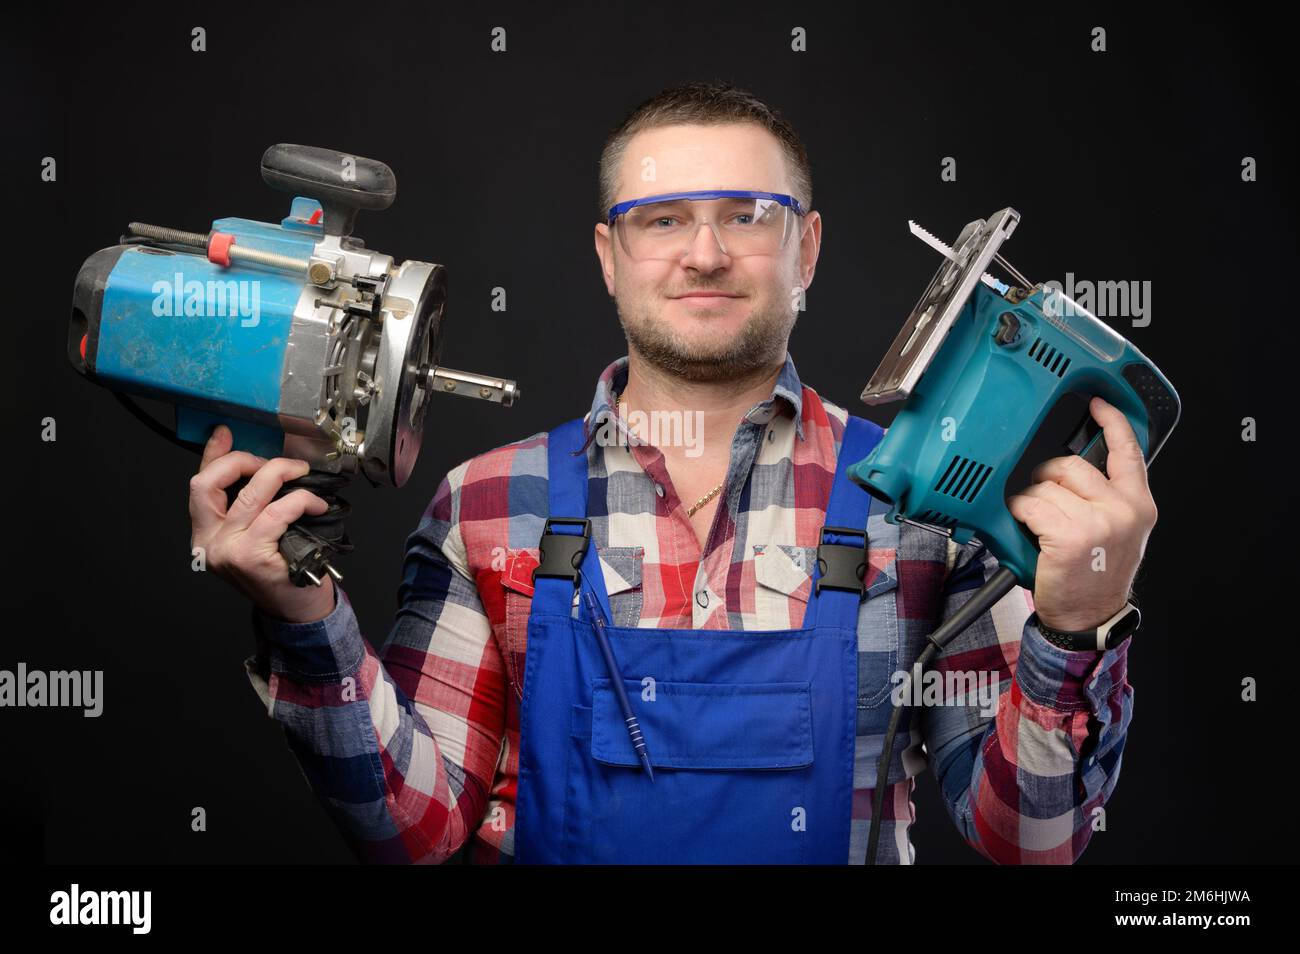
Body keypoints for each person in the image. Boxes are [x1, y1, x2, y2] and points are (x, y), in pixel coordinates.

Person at [189, 81, 1156, 864]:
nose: (704, 253)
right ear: (610, 257)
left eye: (747, 214)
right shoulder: (489, 504)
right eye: (662, 220)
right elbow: (414, 832)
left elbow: (1031, 841)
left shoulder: (928, 510)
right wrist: (302, 620)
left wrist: (1074, 628)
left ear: (806, 248)